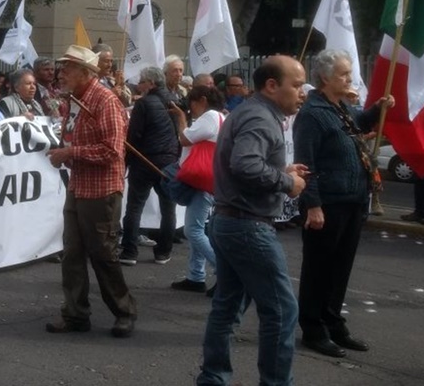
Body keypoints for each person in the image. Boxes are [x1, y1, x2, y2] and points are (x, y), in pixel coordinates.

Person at [197, 56, 309, 386]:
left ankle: (213, 378)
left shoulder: (252, 112)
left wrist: (283, 172)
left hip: (231, 221)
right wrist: (289, 183)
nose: (302, 92)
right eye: (297, 85)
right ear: (271, 86)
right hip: (247, 226)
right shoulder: (261, 117)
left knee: (228, 307)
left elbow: (244, 163)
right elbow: (245, 165)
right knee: (281, 310)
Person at [294, 49, 392, 358]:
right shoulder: (312, 114)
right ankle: (313, 327)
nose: (349, 79)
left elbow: (357, 126)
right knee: (319, 268)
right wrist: (312, 205)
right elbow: (305, 164)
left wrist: (376, 109)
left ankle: (333, 321)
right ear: (324, 78)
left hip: (352, 201)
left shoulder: (340, 108)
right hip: (329, 203)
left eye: (349, 74)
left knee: (340, 269)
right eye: (343, 74)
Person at [45, 45, 137, 338]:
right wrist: (67, 152)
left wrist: (71, 151)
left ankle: (124, 312)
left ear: (86, 73)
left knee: (103, 254)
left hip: (102, 191)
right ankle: (75, 314)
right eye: (62, 68)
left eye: (68, 68)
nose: (62, 73)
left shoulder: (105, 101)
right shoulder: (76, 100)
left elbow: (112, 151)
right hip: (79, 187)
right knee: (72, 253)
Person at [119, 66, 180, 266]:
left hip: (144, 161)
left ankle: (129, 251)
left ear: (152, 83)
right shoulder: (176, 100)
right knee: (168, 209)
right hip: (168, 161)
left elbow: (134, 135)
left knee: (135, 206)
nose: (139, 85)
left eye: (143, 81)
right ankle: (163, 252)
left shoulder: (145, 103)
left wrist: (126, 162)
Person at [168, 85, 226, 294]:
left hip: (201, 180)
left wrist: (181, 118)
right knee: (198, 228)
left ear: (201, 100)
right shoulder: (221, 117)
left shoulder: (210, 116)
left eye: (192, 105)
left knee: (192, 229)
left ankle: (224, 273)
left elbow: (184, 139)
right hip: (209, 179)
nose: (192, 110)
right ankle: (196, 276)